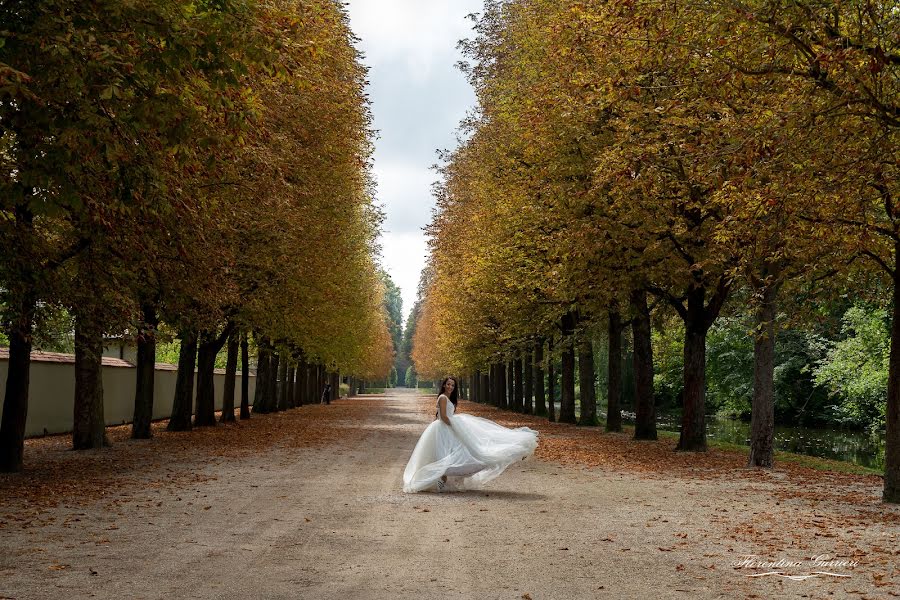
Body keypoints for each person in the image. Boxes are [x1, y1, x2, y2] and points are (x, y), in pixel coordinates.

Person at [402, 376, 538, 493]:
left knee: (461, 451)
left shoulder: (449, 398)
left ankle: (441, 482)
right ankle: (439, 482)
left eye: (453, 385)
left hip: (448, 427)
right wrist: (457, 428)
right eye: (448, 384)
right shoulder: (443, 398)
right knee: (443, 455)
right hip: (443, 428)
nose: (450, 386)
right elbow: (443, 417)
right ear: (444, 385)